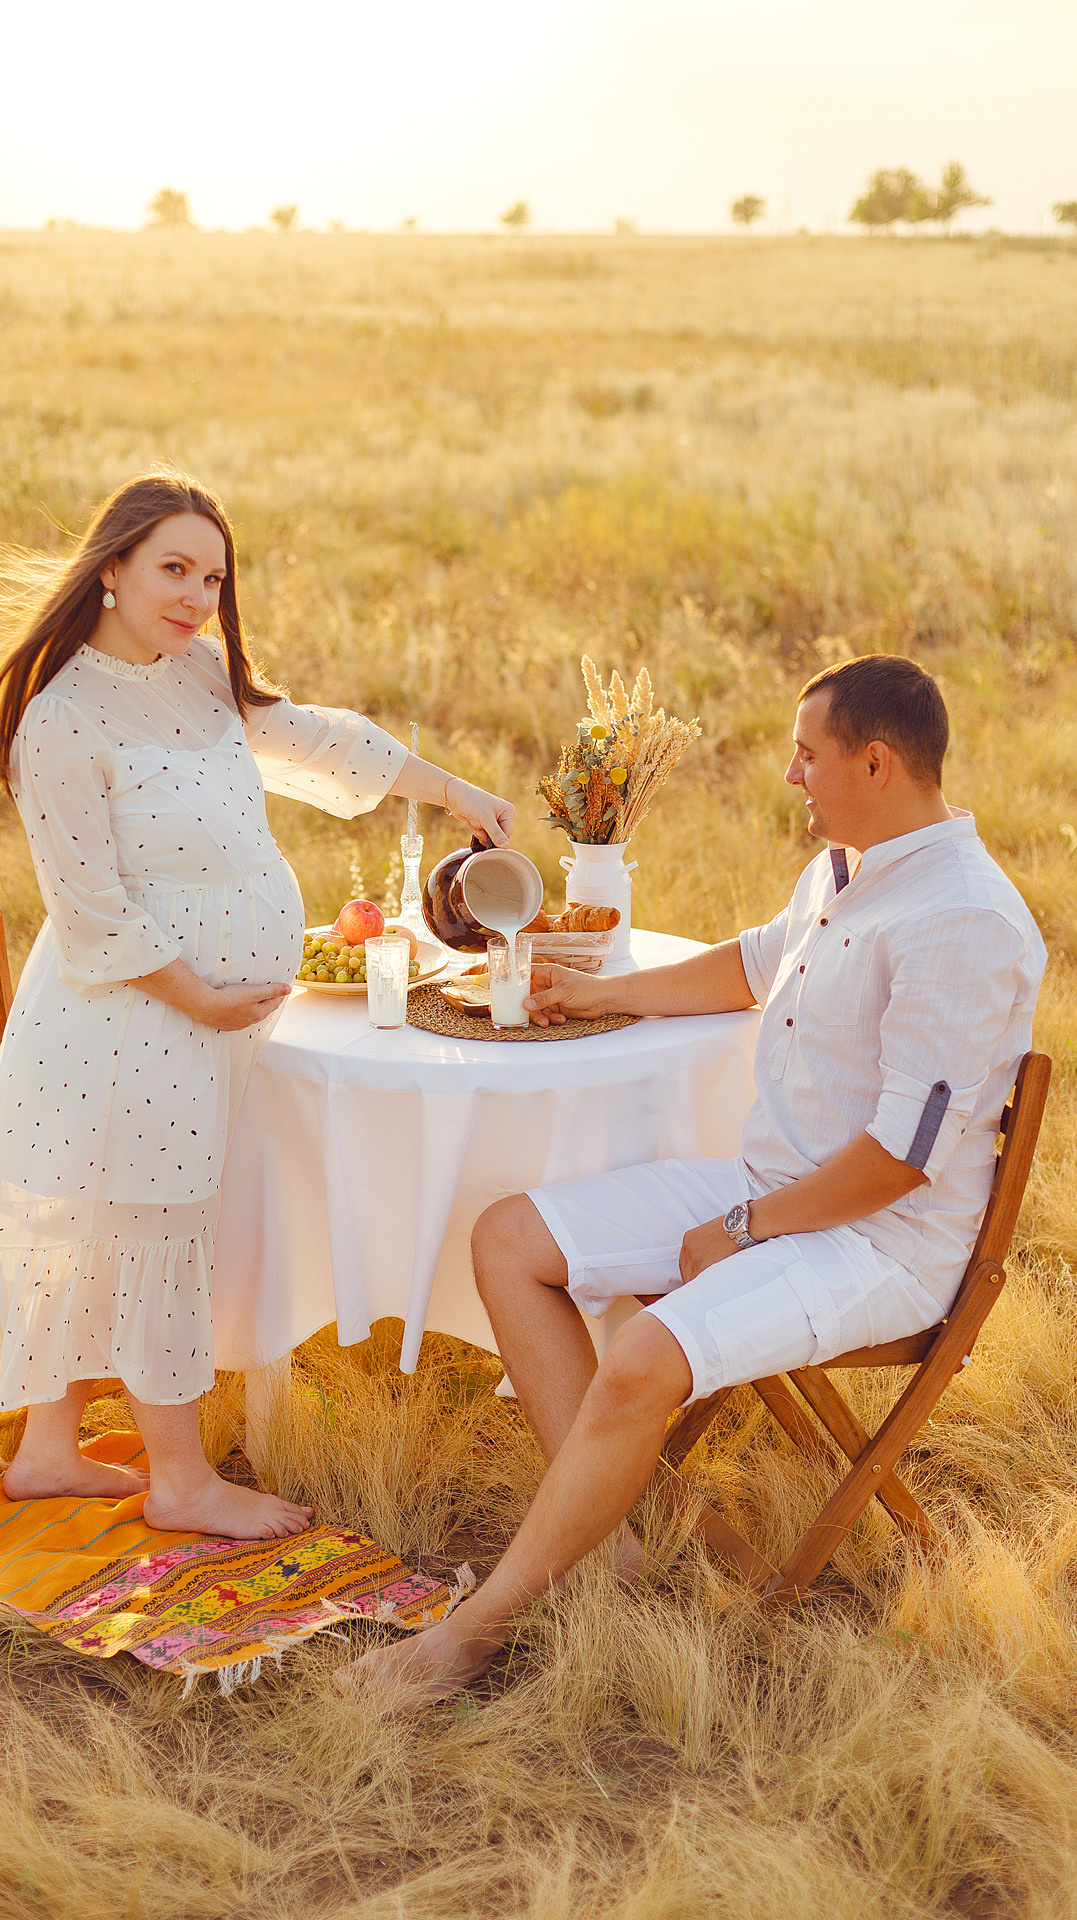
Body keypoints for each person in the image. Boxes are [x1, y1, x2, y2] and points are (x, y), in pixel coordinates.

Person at [341, 652, 1046, 1700]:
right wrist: (597, 992)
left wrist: (747, 1225)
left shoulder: (962, 922)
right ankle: (608, 1542)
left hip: (876, 1243)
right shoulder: (847, 865)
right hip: (774, 1186)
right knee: (508, 1240)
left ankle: (476, 1631)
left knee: (637, 1365)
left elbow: (900, 1163)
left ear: (877, 760)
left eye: (806, 756)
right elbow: (753, 964)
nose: (790, 775)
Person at [0, 469, 514, 1540]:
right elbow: (90, 905)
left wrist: (454, 791)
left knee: (116, 1216)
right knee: (145, 1219)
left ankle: (49, 1452)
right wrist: (200, 998)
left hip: (208, 1011)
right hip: (130, 1013)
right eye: (174, 570)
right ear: (112, 570)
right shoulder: (58, 723)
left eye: (214, 576)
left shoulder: (195, 676)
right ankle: (181, 1482)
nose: (197, 595)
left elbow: (318, 739)